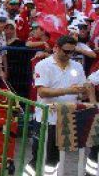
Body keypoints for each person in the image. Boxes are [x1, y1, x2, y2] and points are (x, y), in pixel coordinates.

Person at [30, 35, 94, 172]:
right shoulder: (43, 65)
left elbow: (81, 91)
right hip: (46, 119)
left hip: (66, 118)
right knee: (39, 158)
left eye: (72, 52)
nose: (69, 55)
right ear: (56, 48)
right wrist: (68, 90)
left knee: (55, 159)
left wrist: (84, 92)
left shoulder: (77, 66)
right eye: (66, 51)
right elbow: (42, 92)